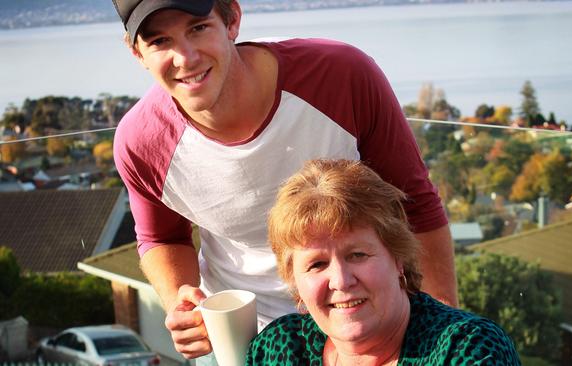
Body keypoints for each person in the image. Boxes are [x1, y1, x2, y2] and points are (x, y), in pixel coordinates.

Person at [110, 0, 457, 359]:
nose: (185, 57)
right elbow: (161, 237)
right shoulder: (141, 141)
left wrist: (442, 328)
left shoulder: (341, 76)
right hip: (244, 338)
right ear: (136, 52)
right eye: (159, 41)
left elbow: (414, 204)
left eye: (198, 28)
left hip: (368, 318)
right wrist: (180, 300)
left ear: (232, 19)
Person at [249, 159, 520, 365]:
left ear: (398, 257)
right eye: (317, 264)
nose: (341, 280)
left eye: (357, 255)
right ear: (294, 279)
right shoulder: (279, 349)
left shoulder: (467, 349)